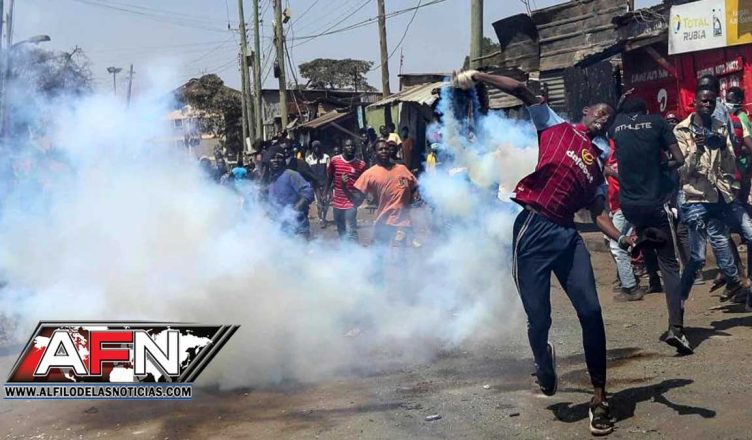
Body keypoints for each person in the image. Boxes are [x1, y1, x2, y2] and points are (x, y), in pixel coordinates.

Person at [452, 70, 630, 436]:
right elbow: (520, 88)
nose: (603, 119)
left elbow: (599, 215)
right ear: (585, 112)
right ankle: (542, 360)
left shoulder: (597, 166)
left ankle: (599, 398)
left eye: (609, 118)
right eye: (600, 112)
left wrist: (624, 239)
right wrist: (477, 75)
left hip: (566, 235)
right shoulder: (555, 126)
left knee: (591, 312)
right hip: (533, 229)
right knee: (539, 318)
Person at [610, 97, 689, 354]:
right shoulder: (657, 123)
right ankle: (677, 329)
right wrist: (661, 166)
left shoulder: (617, 126)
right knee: (670, 266)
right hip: (655, 202)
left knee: (649, 233)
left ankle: (643, 239)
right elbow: (679, 158)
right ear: (645, 110)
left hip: (629, 206)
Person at [674, 84, 752, 309]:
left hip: (721, 195)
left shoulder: (720, 126)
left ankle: (738, 283)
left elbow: (729, 162)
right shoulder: (681, 130)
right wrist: (697, 150)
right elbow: (682, 172)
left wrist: (731, 176)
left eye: (711, 101)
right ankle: (678, 301)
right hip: (696, 198)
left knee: (743, 234)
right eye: (704, 101)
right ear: (695, 103)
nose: (707, 105)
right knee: (698, 257)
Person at [341, 139, 418, 247]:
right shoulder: (369, 174)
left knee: (398, 252)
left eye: (386, 148)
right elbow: (356, 201)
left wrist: (412, 198)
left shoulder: (402, 169)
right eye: (380, 149)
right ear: (375, 153)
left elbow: (415, 186)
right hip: (383, 222)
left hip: (402, 223)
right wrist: (344, 187)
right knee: (378, 253)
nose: (384, 151)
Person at [603, 137, 645, 301]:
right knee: (611, 241)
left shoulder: (629, 160)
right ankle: (628, 279)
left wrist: (612, 173)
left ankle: (630, 287)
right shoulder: (610, 159)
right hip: (615, 205)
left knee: (617, 245)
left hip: (626, 205)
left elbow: (633, 183)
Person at [266, 145, 315, 239]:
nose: (276, 160)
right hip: (281, 231)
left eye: (279, 157)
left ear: (284, 160)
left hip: (298, 230)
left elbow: (308, 192)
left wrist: (294, 210)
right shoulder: (271, 179)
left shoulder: (291, 175)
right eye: (273, 158)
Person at [327, 139, 367, 240]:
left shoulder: (361, 164)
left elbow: (364, 183)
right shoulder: (335, 160)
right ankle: (344, 247)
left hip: (351, 201)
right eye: (348, 146)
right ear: (343, 147)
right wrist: (326, 191)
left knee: (351, 229)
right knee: (341, 228)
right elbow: (330, 176)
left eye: (352, 146)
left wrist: (360, 198)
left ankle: (354, 248)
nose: (350, 148)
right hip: (337, 201)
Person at [306, 141, 331, 228]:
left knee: (326, 201)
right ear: (312, 149)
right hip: (315, 184)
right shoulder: (309, 159)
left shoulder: (326, 157)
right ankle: (321, 219)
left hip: (325, 183)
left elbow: (328, 172)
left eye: (318, 147)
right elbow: (308, 173)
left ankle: (324, 217)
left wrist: (327, 187)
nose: (317, 149)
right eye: (315, 147)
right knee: (319, 202)